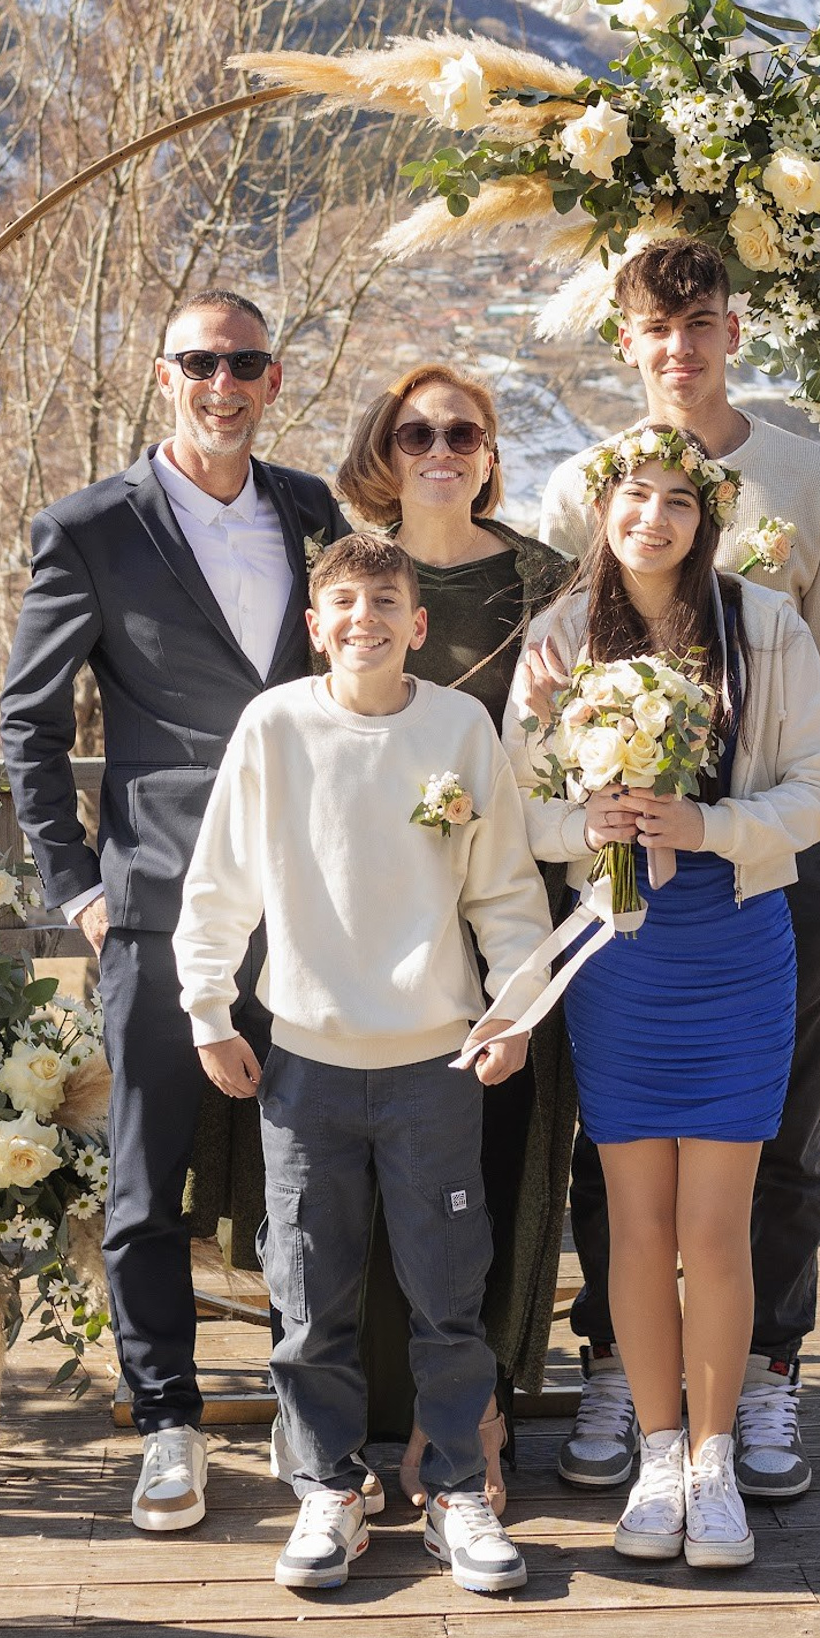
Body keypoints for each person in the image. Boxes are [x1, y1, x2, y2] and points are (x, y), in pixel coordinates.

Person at [0, 289, 349, 1533]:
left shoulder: (311, 511)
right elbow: (29, 726)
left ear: (271, 376)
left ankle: (324, 1423)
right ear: (164, 377)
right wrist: (78, 890)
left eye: (246, 361)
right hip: (156, 902)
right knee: (146, 1184)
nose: (225, 382)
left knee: (316, 1170)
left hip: (312, 897)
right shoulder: (88, 529)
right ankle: (168, 1425)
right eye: (201, 361)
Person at [538, 236, 820, 1504]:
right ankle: (625, 1365)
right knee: (611, 1142)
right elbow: (559, 684)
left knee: (778, 1134)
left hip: (774, 869)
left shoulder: (806, 477)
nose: (679, 348)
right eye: (655, 328)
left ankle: (770, 1371)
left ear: (734, 332)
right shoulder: (595, 482)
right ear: (626, 341)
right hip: (628, 893)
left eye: (702, 325)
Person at [174, 532, 554, 1598]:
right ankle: (328, 1491)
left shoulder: (459, 727)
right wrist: (209, 1012)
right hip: (304, 1065)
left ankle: (457, 1492)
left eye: (385, 602)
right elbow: (218, 888)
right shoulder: (276, 727)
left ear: (417, 625)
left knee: (447, 1288)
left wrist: (514, 1010)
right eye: (343, 603)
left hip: (438, 1062)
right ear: (314, 625)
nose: (364, 621)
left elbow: (507, 896)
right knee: (309, 1292)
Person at [506, 425, 820, 1566]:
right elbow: (521, 809)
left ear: (709, 520)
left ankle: (714, 1463)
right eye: (632, 496)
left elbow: (818, 793)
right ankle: (654, 1457)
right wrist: (578, 821)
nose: (653, 517)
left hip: (737, 941)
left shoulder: (766, 627)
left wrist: (711, 825)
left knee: (716, 1224)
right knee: (638, 1224)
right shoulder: (555, 637)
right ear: (601, 508)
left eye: (679, 502)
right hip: (620, 950)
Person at [335, 364, 574, 1471]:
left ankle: (477, 1409)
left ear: (489, 451)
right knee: (366, 1166)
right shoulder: (343, 576)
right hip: (365, 910)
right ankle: (368, 1416)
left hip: (511, 896)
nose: (441, 448)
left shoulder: (553, 583)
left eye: (463, 431)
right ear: (385, 449)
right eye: (416, 430)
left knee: (500, 1150)